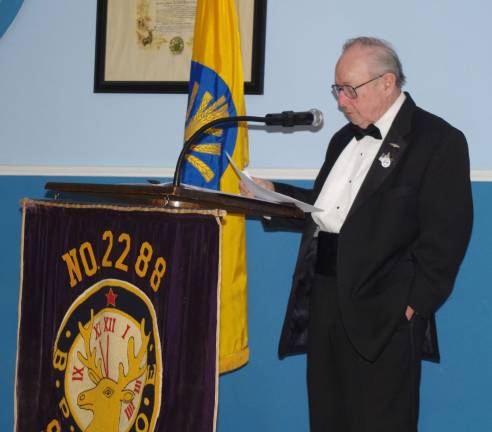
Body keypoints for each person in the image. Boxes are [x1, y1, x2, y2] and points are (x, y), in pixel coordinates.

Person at [241, 37, 473, 431]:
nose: (340, 102)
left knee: (381, 421)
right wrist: (272, 194)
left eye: (350, 90)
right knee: (328, 418)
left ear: (387, 83)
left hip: (386, 310)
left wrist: (412, 307)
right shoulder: (342, 140)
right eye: (337, 90)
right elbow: (328, 210)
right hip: (326, 300)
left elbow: (447, 235)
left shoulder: (438, 141)